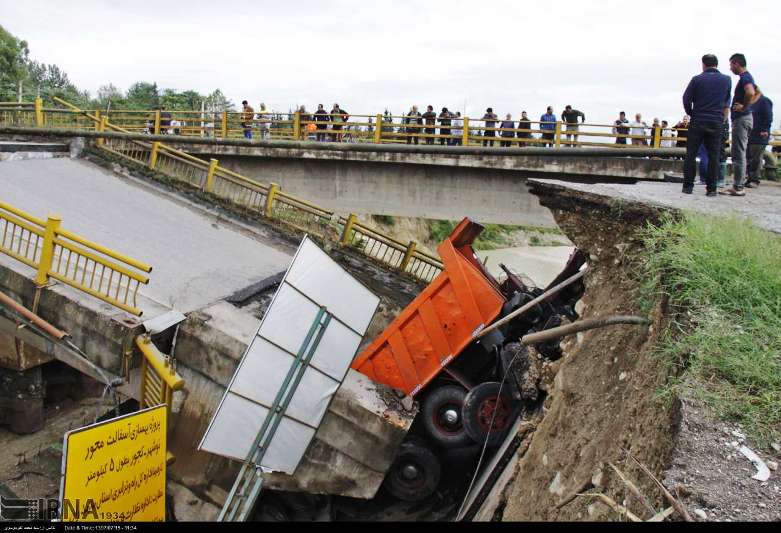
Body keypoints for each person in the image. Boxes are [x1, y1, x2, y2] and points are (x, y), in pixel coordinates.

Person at [681, 53, 732, 196]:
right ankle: (711, 189)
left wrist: (691, 112)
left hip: (698, 120)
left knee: (691, 154)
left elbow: (686, 98)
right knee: (714, 156)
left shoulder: (696, 80)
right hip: (716, 121)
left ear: (703, 64)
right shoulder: (726, 80)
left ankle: (688, 187)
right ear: (717, 64)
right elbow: (726, 99)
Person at [728, 53, 761, 195]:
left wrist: (744, 107)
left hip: (742, 119)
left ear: (736, 63)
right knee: (740, 151)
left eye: (731, 65)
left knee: (738, 152)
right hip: (746, 118)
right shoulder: (748, 77)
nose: (730, 68)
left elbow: (751, 92)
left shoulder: (745, 77)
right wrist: (749, 105)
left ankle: (738, 187)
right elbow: (758, 93)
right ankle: (738, 184)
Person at [746, 93, 773, 188]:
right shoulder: (750, 102)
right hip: (750, 134)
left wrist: (765, 129)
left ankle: (754, 179)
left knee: (756, 158)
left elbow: (768, 116)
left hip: (759, 135)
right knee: (749, 157)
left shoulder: (764, 101)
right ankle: (749, 178)